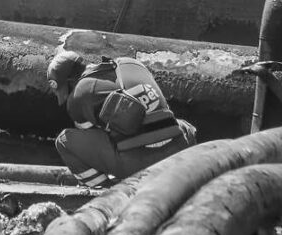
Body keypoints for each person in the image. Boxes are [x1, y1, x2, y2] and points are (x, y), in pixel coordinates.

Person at [47, 51, 196, 188]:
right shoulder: (131, 64)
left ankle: (103, 190)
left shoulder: (76, 97)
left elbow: (97, 138)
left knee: (63, 140)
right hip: (180, 149)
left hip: (139, 165)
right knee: (183, 124)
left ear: (69, 82)